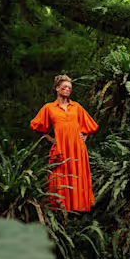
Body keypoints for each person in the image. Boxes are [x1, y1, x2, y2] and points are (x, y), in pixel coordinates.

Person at [30, 74, 99, 212]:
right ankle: (60, 211)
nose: (67, 89)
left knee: (77, 176)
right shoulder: (49, 108)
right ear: (57, 88)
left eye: (70, 88)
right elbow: (36, 126)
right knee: (59, 177)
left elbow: (91, 125)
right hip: (60, 148)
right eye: (65, 86)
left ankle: (78, 212)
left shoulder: (76, 107)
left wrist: (84, 135)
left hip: (77, 149)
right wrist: (51, 140)